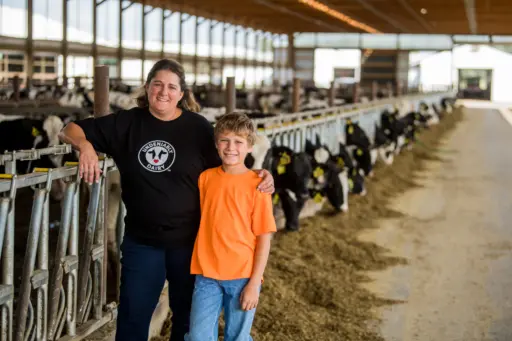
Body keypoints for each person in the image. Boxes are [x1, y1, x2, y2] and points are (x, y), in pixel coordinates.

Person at [58, 59, 274, 341]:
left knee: (186, 316)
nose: (164, 92)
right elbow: (69, 129)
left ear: (182, 95)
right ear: (147, 88)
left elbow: (228, 161)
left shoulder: (197, 128)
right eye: (157, 84)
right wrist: (85, 146)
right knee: (134, 314)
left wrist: (258, 175)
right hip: (142, 241)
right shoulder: (125, 123)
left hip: (191, 244)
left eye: (172, 87)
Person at [185, 112, 277, 341]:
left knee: (237, 337)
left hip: (242, 276)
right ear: (216, 144)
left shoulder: (258, 186)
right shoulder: (205, 178)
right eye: (225, 141)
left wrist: (255, 282)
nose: (230, 147)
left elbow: (264, 237)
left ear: (249, 147)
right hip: (206, 273)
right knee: (197, 336)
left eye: (238, 142)